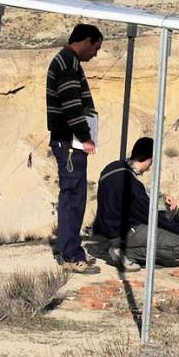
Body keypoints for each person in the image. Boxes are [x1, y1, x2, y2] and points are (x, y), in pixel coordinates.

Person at [46, 23, 104, 274]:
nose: (96, 54)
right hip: (70, 142)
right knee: (73, 198)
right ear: (87, 41)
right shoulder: (68, 64)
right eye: (96, 47)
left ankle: (68, 249)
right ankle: (71, 256)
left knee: (72, 196)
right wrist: (86, 136)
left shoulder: (66, 61)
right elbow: (72, 106)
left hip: (67, 140)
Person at [94, 136, 179, 269]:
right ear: (148, 159)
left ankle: (117, 246)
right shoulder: (132, 185)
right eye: (151, 162)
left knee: (164, 217)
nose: (150, 167)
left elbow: (137, 197)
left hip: (106, 228)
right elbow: (151, 216)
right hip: (124, 231)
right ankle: (125, 252)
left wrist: (162, 197)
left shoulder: (112, 167)